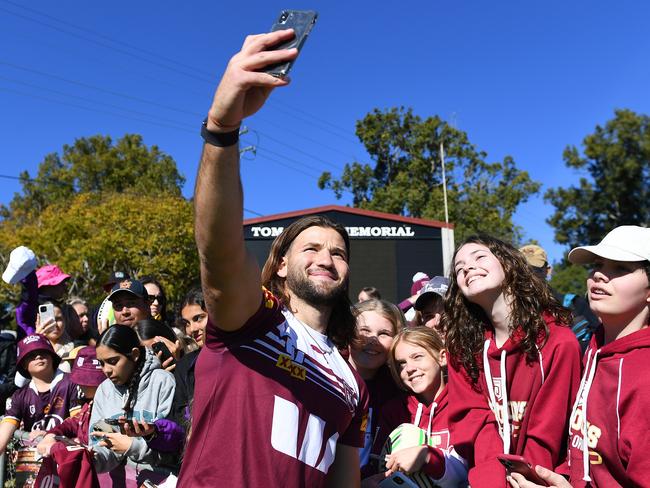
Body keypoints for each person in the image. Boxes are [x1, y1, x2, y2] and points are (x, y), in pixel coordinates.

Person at [177, 29, 369, 488]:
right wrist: (222, 131)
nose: (327, 258)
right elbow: (220, 253)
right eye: (313, 247)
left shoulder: (353, 383)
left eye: (339, 253)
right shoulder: (255, 320)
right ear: (280, 264)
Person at [508, 225, 650, 488]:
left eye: (620, 268)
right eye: (597, 265)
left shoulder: (645, 373)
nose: (599, 275)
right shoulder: (595, 349)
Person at [443, 235, 582, 487]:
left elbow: (547, 433)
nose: (467, 267)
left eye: (479, 257)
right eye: (459, 267)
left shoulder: (558, 341)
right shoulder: (462, 348)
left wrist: (523, 480)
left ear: (509, 264)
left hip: (542, 480)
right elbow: (471, 421)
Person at [367, 327, 467, 488]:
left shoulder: (465, 403)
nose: (409, 368)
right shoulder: (394, 410)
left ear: (442, 357)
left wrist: (428, 457)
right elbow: (378, 468)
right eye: (401, 363)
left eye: (417, 357)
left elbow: (470, 471)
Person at [89, 324, 178, 486]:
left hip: (160, 481)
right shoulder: (104, 390)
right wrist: (91, 458)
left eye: (113, 361)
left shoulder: (162, 382)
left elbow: (171, 449)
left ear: (135, 354)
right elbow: (100, 442)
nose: (106, 370)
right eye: (101, 363)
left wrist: (132, 446)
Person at [348, 299, 404, 477]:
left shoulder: (400, 388)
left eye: (384, 333)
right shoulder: (326, 377)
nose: (373, 339)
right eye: (364, 331)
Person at [0, 334, 81, 453]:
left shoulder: (71, 384)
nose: (38, 356)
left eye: (43, 352)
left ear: (52, 357)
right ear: (23, 364)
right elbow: (4, 433)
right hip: (34, 461)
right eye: (31, 355)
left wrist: (50, 435)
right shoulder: (20, 395)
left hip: (66, 456)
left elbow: (79, 424)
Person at [519, 244, 599, 352]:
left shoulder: (574, 304)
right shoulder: (505, 309)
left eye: (534, 270)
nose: (527, 275)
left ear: (548, 270)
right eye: (520, 270)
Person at [171, 287, 208, 426]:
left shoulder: (241, 356)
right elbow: (179, 416)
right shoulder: (185, 365)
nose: (192, 329)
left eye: (198, 318)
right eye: (187, 323)